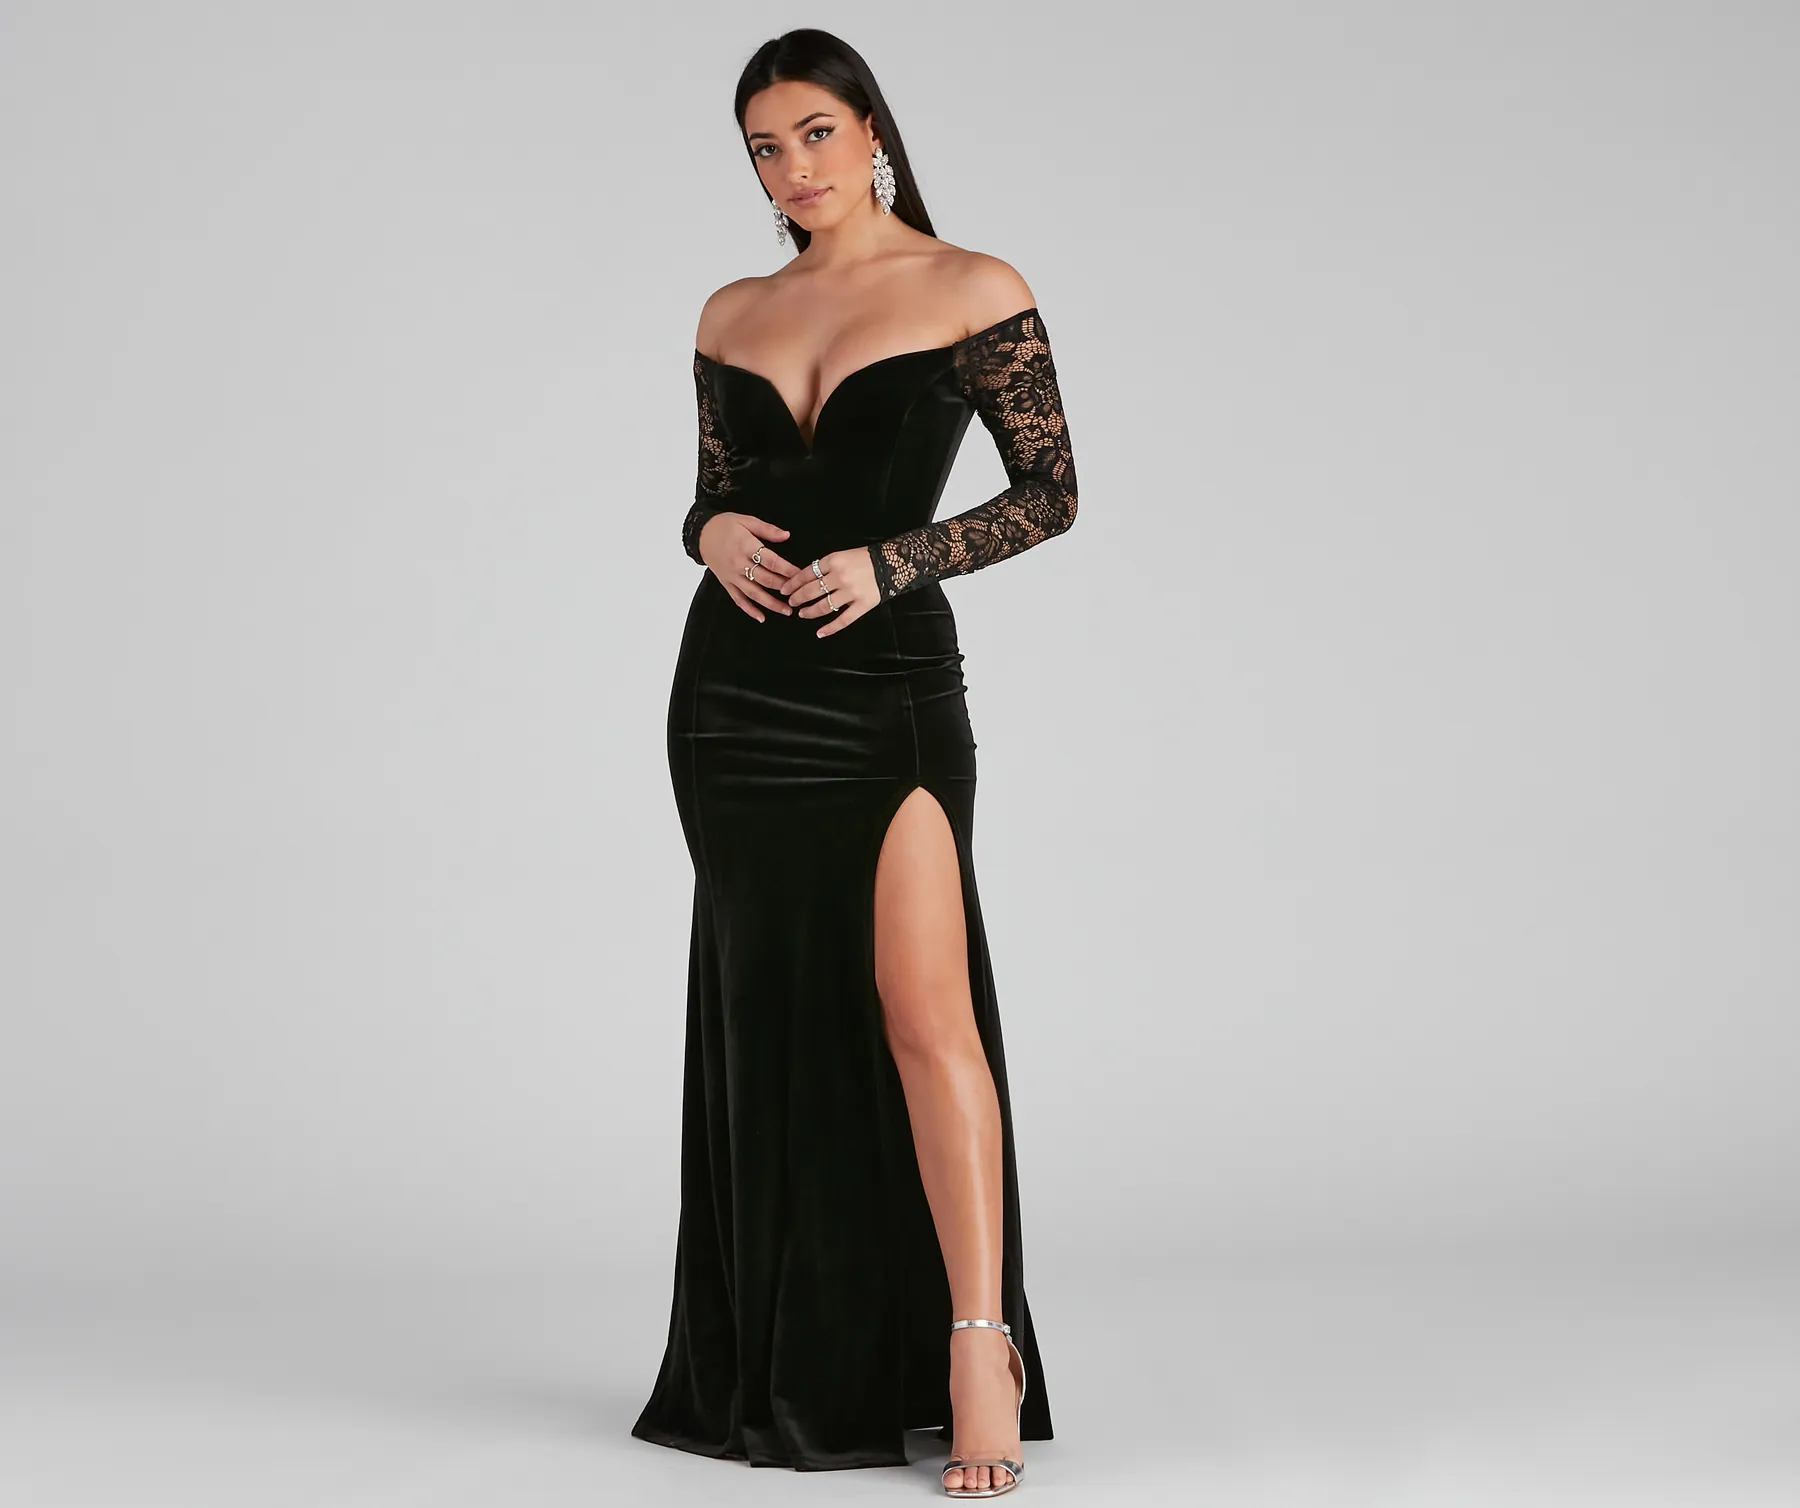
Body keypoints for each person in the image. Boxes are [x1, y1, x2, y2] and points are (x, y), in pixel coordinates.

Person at [631, 28, 1077, 1499]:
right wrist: (704, 531)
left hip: (886, 697)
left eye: (815, 134)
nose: (793, 168)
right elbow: (713, 496)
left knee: (925, 1016)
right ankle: (799, 1359)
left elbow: (1051, 491)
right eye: (764, 148)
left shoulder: (972, 287)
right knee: (771, 1021)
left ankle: (977, 1345)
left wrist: (896, 561)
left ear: (872, 130)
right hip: (733, 701)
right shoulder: (733, 311)